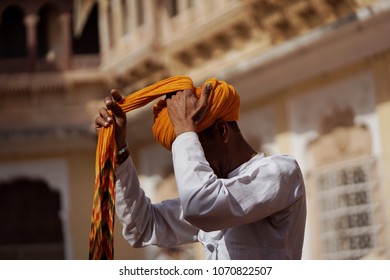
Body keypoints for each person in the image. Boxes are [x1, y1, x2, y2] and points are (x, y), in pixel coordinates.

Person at [95, 81, 306, 260]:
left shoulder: (281, 173)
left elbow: (201, 206)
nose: (192, 161)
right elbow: (144, 228)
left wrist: (185, 131)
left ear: (222, 131)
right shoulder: (216, 195)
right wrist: (120, 151)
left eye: (194, 146)